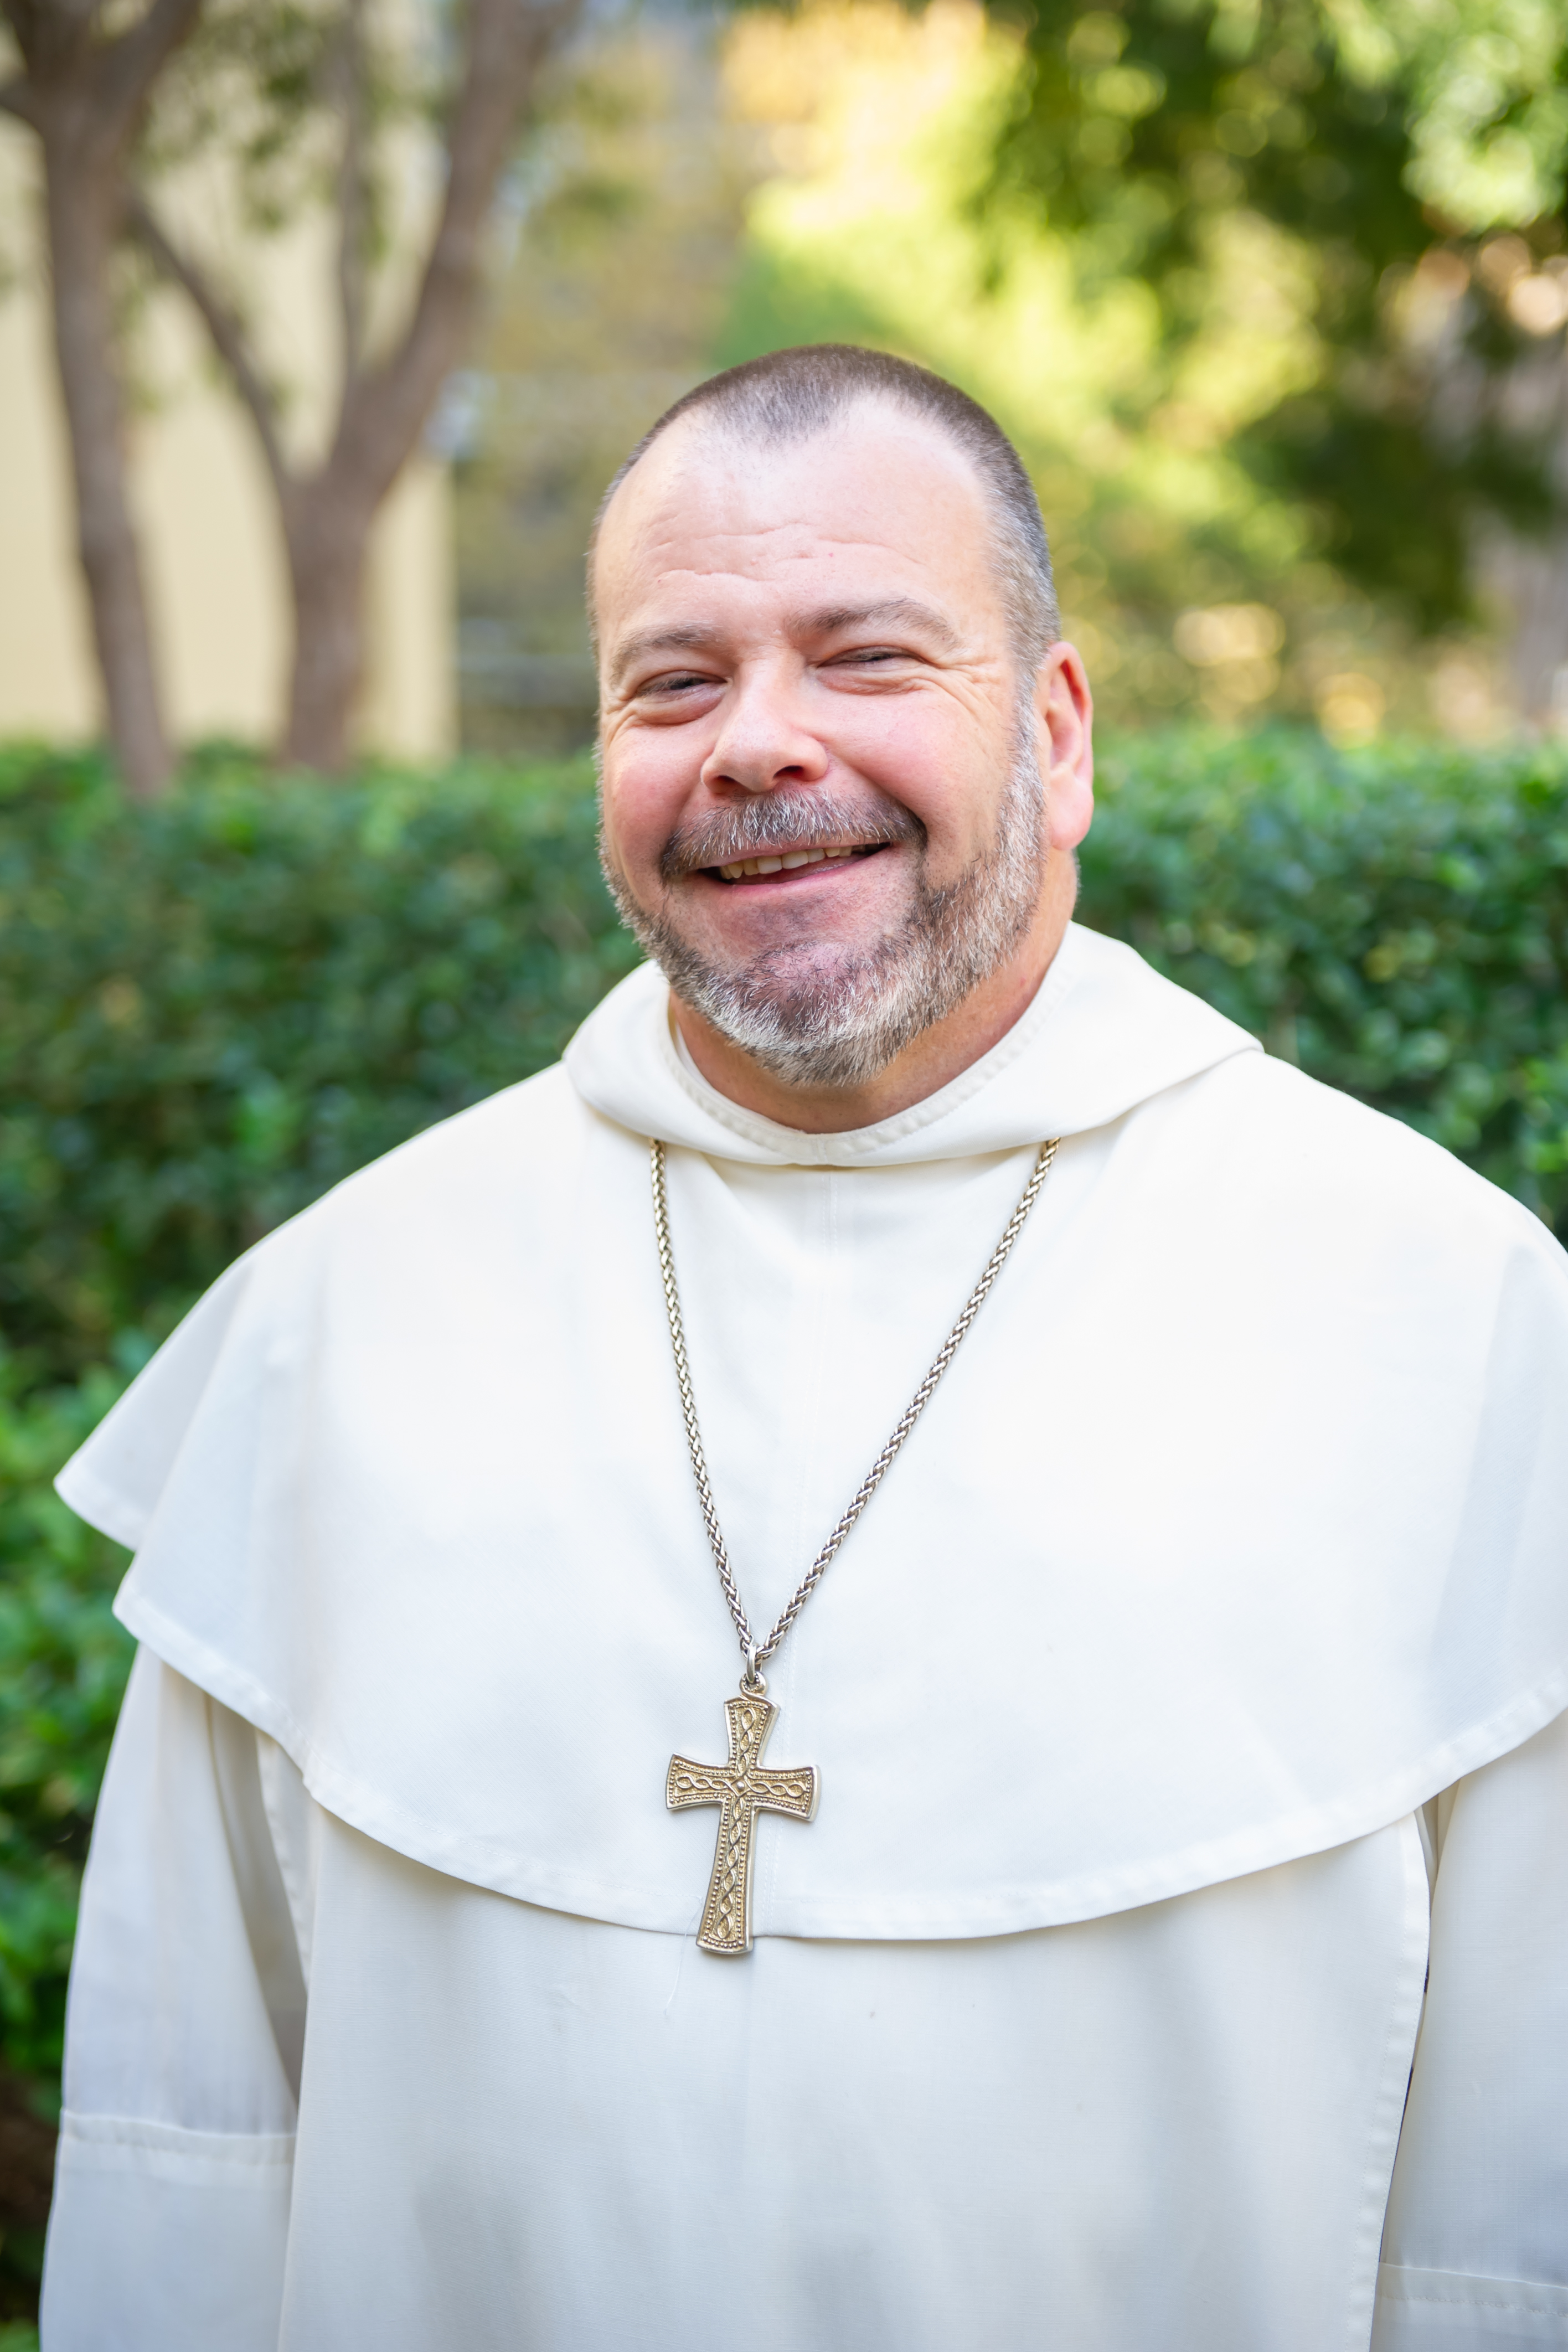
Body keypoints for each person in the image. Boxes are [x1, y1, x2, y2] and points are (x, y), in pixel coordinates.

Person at [40, 345, 1568, 2352]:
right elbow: (186, 2161)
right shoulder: (344, 1319)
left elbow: (1508, 2229)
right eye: (674, 682)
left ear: (1057, 731)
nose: (759, 745)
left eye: (865, 657)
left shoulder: (1449, 1325)